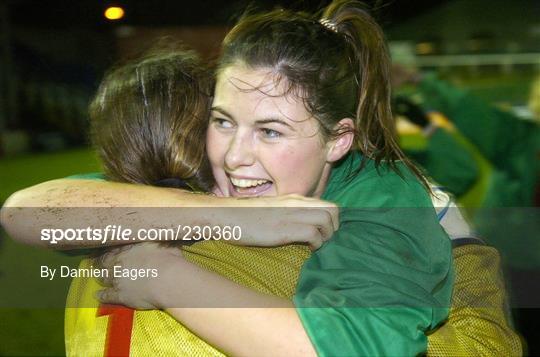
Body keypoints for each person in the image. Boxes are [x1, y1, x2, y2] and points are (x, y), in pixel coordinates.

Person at [2, 1, 518, 355]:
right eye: (224, 120)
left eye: (271, 131)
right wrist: (227, 216)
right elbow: (28, 213)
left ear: (339, 140)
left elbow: (350, 347)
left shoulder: (384, 199)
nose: (234, 156)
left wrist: (161, 276)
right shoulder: (211, 160)